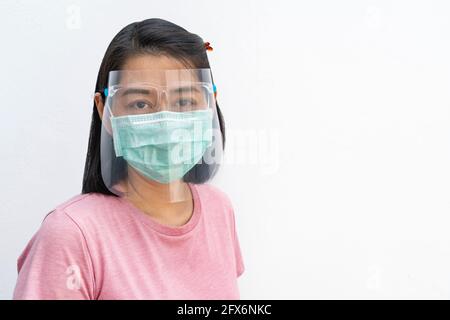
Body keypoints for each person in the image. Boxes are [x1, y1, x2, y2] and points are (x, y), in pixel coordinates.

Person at [13, 18, 244, 300]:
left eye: (184, 102)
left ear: (210, 103)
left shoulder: (218, 209)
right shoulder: (72, 233)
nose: (166, 122)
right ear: (105, 110)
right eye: (141, 104)